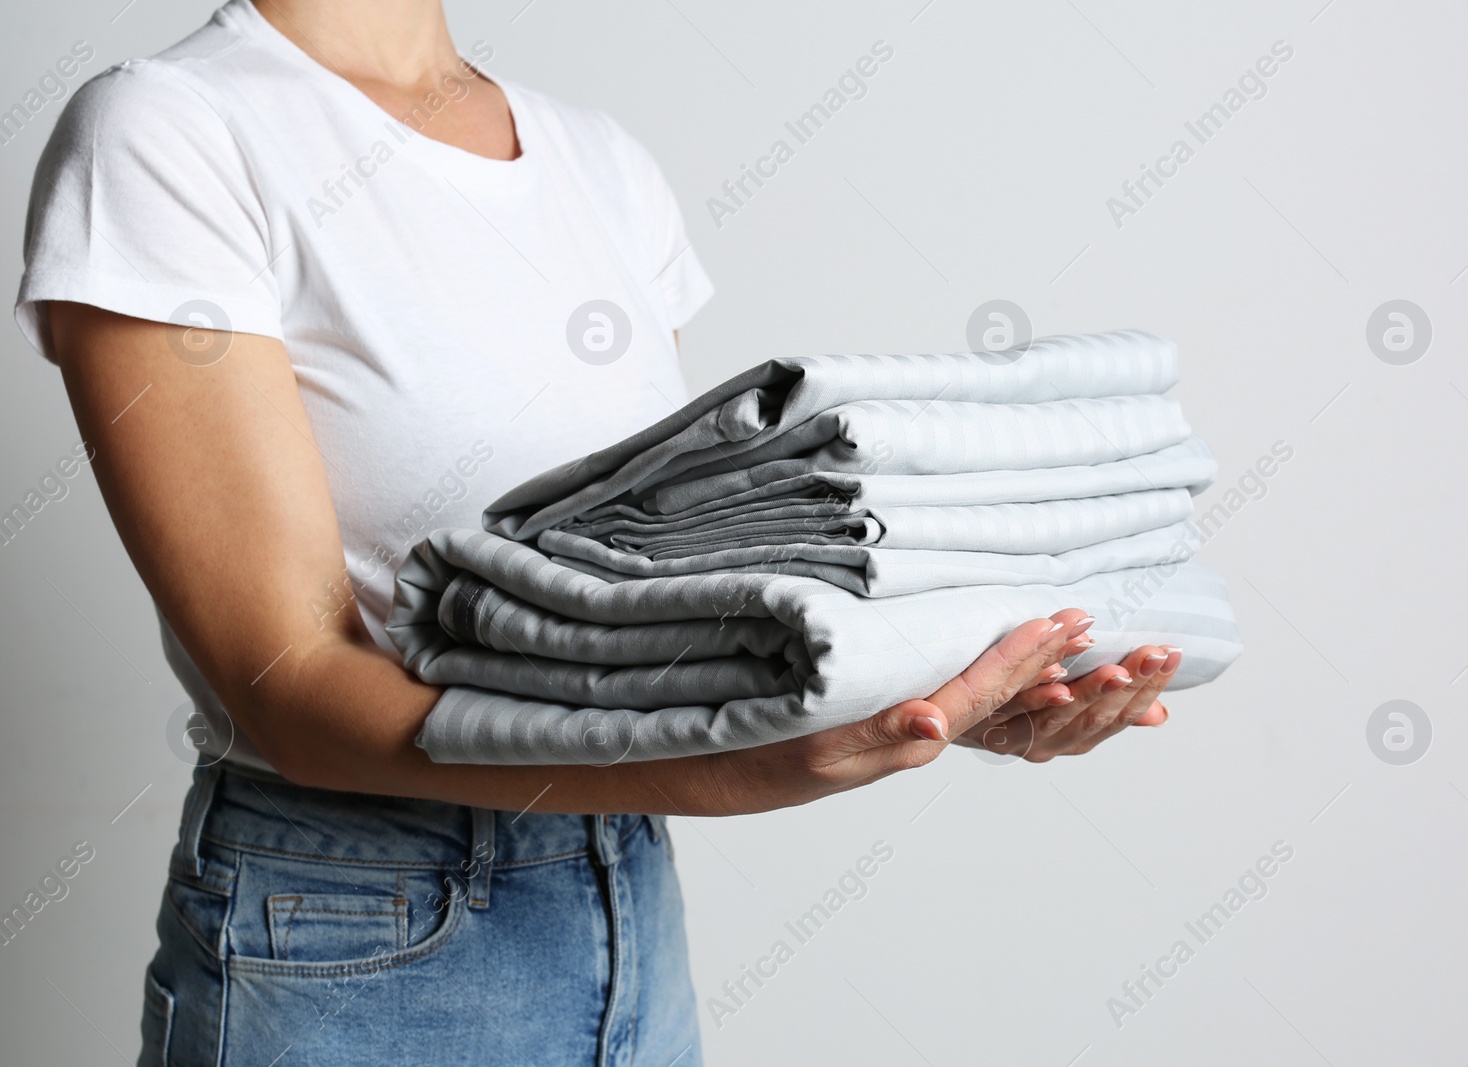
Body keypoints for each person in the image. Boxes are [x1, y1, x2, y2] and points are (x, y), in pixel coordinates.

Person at [16, 1, 1182, 1062]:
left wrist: (934, 693)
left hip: (624, 892)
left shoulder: (597, 159)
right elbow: (290, 686)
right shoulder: (168, 133)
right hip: (350, 918)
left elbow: (650, 603)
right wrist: (736, 763)